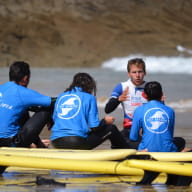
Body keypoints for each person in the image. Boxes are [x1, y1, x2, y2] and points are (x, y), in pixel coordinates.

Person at [50, 72, 130, 149]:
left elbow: (54, 120)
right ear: (90, 85)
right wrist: (105, 121)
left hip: (55, 142)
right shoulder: (89, 98)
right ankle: (127, 154)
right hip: (76, 143)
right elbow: (94, 127)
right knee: (111, 129)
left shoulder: (61, 96)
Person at [0, 61, 55, 149]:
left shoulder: (1, 88)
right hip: (11, 143)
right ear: (25, 78)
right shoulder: (22, 92)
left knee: (22, 108)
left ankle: (38, 143)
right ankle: (38, 144)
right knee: (46, 109)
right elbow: (54, 101)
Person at [129, 81, 186, 152]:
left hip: (146, 150)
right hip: (167, 151)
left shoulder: (139, 110)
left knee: (131, 141)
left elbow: (133, 137)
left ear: (144, 95)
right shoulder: (170, 111)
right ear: (161, 94)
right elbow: (169, 136)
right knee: (180, 141)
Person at [105, 58, 147, 149]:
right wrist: (118, 99)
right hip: (129, 128)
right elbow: (107, 109)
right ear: (128, 74)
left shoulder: (149, 87)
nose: (138, 75)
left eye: (140, 72)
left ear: (145, 73)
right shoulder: (122, 87)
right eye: (134, 72)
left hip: (147, 129)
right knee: (115, 145)